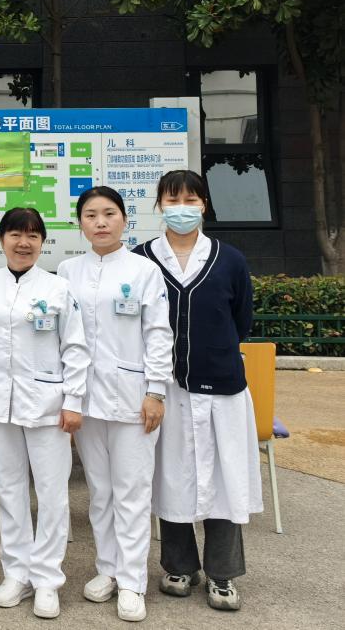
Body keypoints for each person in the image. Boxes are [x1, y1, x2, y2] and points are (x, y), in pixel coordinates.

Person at [133, 170, 260, 612]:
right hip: (164, 388)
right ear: (159, 206)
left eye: (191, 199)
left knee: (224, 478)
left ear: (204, 204)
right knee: (172, 477)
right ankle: (178, 566)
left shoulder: (230, 259)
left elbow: (241, 321)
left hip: (222, 389)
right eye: (172, 199)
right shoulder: (141, 260)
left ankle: (223, 574)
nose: (181, 208)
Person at [58, 187, 173, 622]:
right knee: (100, 491)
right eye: (91, 215)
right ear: (80, 223)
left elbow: (158, 334)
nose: (100, 222)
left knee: (132, 493)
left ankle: (132, 581)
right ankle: (107, 568)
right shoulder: (67, 270)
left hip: (133, 399)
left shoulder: (144, 271)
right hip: (85, 400)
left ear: (124, 219)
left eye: (109, 213)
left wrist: (156, 391)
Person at [0, 206, 90, 620]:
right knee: (9, 489)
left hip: (48, 404)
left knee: (52, 493)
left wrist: (74, 401)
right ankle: (16, 573)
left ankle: (47, 579)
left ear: (42, 242)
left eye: (33, 236)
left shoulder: (58, 288)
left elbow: (75, 347)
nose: (24, 243)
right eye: (15, 235)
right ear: (1, 239)